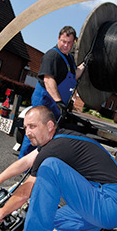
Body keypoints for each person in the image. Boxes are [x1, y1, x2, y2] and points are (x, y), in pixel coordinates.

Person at [0, 105, 117, 231]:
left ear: (49, 126)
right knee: (54, 217)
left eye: (32, 126)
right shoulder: (59, 140)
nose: (27, 132)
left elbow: (26, 191)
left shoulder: (55, 148)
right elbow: (26, 161)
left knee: (50, 167)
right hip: (106, 202)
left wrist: (2, 212)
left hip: (109, 204)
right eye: (25, 127)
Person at [19, 26, 87, 158]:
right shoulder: (52, 56)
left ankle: (37, 162)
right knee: (35, 132)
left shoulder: (69, 59)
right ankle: (24, 164)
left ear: (74, 43)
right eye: (63, 41)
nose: (65, 45)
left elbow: (74, 75)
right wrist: (59, 102)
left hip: (55, 104)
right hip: (45, 101)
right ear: (58, 39)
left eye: (69, 43)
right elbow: (48, 80)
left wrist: (84, 64)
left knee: (47, 135)